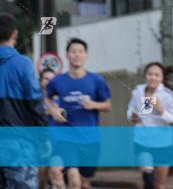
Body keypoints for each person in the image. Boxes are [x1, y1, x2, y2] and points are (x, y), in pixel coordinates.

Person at [45, 38, 111, 189]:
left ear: (85, 55)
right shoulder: (58, 81)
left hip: (90, 139)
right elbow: (46, 99)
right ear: (67, 55)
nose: (77, 55)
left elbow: (108, 105)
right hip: (67, 138)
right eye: (73, 51)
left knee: (85, 182)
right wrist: (53, 110)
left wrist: (93, 104)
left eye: (80, 52)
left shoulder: (96, 80)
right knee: (74, 180)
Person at [0, 13, 47, 189]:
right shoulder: (23, 64)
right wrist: (43, 140)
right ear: (15, 34)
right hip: (20, 144)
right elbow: (36, 106)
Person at [126, 62, 173, 189]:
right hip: (142, 140)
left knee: (159, 185)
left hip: (163, 143)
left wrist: (161, 111)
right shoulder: (137, 92)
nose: (153, 77)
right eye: (150, 74)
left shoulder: (168, 96)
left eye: (157, 75)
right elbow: (130, 109)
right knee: (148, 179)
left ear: (161, 78)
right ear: (145, 75)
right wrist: (132, 116)